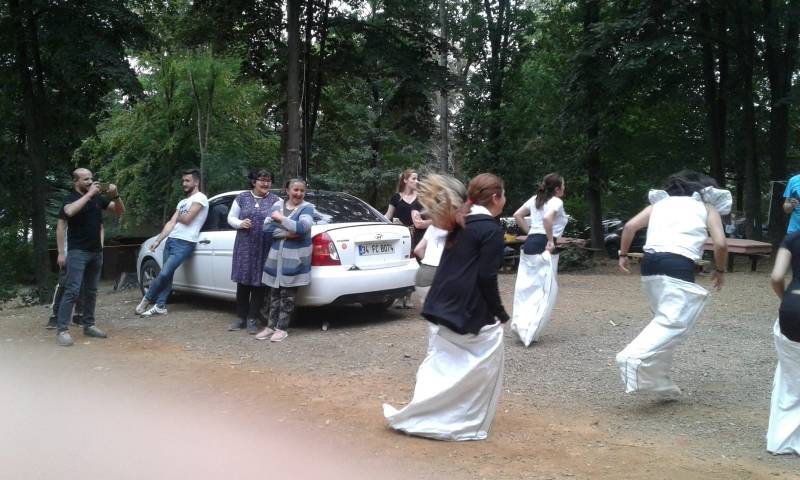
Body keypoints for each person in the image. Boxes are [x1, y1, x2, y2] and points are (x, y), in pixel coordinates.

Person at [383, 173, 510, 441]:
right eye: (504, 195)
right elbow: (486, 277)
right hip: (467, 307)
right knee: (485, 359)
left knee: (441, 359)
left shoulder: (459, 223)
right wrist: (499, 312)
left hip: (439, 303)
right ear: (495, 198)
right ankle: (465, 422)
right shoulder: (490, 230)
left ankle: (422, 412)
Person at [616, 170, 729, 397]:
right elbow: (720, 244)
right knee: (673, 323)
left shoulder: (660, 204)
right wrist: (720, 269)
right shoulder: (707, 207)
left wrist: (623, 255)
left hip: (650, 264)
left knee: (663, 319)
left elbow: (629, 227)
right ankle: (631, 357)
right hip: (677, 264)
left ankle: (660, 383)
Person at [55, 168, 125, 346]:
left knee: (92, 291)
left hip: (96, 252)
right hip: (77, 252)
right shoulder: (70, 198)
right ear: (76, 182)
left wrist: (116, 195)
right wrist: (61, 253)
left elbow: (120, 211)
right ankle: (62, 330)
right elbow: (69, 212)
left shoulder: (97, 199)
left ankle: (89, 325)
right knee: (72, 290)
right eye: (86, 179)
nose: (90, 182)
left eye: (91, 178)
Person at [136, 169, 209, 317]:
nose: (184, 184)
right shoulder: (182, 202)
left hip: (185, 242)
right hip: (171, 240)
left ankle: (147, 299)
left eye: (187, 181)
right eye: (183, 181)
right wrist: (158, 240)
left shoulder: (201, 198)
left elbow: (187, 219)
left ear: (196, 182)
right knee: (167, 275)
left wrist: (177, 216)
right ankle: (161, 306)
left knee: (164, 273)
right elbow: (171, 223)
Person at [510, 173, 568, 346]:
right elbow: (547, 218)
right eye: (563, 185)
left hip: (531, 244)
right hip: (544, 244)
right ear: (557, 188)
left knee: (527, 288)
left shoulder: (535, 199)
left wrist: (530, 233)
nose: (564, 188)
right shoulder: (556, 201)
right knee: (544, 290)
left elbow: (517, 215)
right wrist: (550, 240)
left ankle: (521, 327)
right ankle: (530, 332)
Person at [255, 178, 316, 342]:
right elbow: (266, 228)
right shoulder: (277, 206)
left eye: (302, 190)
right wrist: (288, 233)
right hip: (276, 259)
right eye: (295, 190)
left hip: (294, 260)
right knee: (273, 295)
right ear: (287, 191)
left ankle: (281, 329)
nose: (299, 193)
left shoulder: (307, 208)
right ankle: (270, 327)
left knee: (287, 296)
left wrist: (280, 219)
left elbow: (303, 228)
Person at [226, 169, 280, 333]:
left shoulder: (276, 200)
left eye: (268, 180)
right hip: (244, 246)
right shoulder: (242, 198)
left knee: (259, 284)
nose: (265, 183)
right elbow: (231, 218)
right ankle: (240, 317)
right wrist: (240, 223)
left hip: (265, 246)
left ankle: (252, 318)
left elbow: (280, 219)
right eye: (262, 180)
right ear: (253, 182)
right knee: (243, 282)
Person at [766, 232, 800, 454]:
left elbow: (777, 277)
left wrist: (785, 300)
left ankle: (780, 439)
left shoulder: (793, 238)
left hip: (792, 307)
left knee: (791, 375)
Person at [385, 168, 431, 309]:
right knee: (402, 265)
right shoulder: (396, 198)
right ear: (405, 180)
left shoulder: (421, 197)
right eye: (413, 178)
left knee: (415, 265)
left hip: (418, 235)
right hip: (401, 236)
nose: (417, 181)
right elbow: (388, 216)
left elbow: (427, 215)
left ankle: (409, 295)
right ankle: (400, 296)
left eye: (417, 178)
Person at [46, 218, 87, 329]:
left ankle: (79, 315)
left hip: (84, 256)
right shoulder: (68, 214)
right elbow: (60, 229)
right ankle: (55, 316)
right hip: (68, 255)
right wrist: (61, 253)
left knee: (82, 285)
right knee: (63, 284)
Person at [413, 224, 448, 305]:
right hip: (439, 272)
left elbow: (418, 249)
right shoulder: (457, 228)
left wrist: (428, 260)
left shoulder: (432, 226)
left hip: (422, 273)